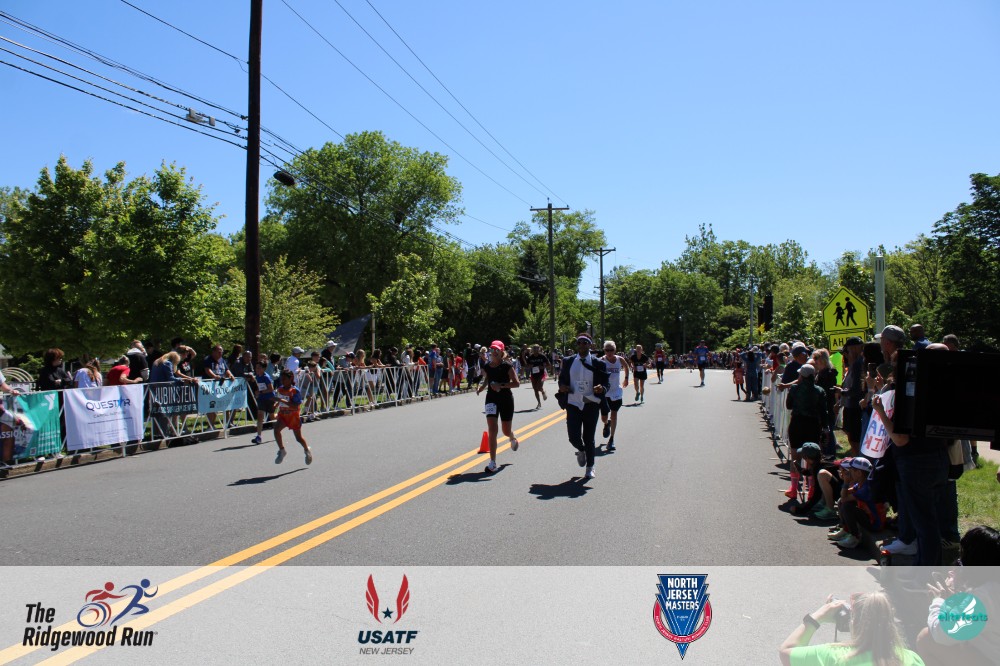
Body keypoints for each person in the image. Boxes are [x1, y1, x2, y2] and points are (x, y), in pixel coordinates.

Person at [779, 592, 925, 666]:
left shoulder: (833, 655)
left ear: (853, 622)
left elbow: (786, 652)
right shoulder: (911, 659)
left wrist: (818, 617)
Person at [557, 333, 609, 479]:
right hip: (573, 403)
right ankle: (581, 450)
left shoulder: (598, 363)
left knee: (589, 437)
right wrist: (562, 386)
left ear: (590, 345)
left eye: (585, 343)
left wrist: (602, 388)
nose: (581, 345)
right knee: (573, 437)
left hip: (590, 403)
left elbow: (606, 383)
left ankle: (590, 467)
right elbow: (562, 379)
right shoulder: (568, 361)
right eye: (579, 342)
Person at [784, 364, 828, 500]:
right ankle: (812, 490)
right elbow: (823, 411)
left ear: (801, 376)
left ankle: (793, 488)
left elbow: (788, 405)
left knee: (795, 455)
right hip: (813, 425)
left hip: (797, 423)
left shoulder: (795, 388)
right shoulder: (819, 391)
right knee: (812, 458)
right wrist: (825, 428)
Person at [476, 340, 519, 473]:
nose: (494, 352)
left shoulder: (507, 366)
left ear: (501, 352)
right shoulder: (487, 366)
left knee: (505, 431)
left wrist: (500, 385)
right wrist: (482, 387)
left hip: (506, 399)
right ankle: (492, 462)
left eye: (497, 350)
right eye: (492, 350)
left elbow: (516, 383)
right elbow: (487, 378)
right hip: (491, 399)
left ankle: (511, 436)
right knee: (492, 429)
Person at [273, 369, 312, 465]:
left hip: (293, 417)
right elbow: (279, 399)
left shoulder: (294, 391)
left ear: (291, 379)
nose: (282, 381)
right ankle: (282, 450)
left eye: (284, 379)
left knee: (298, 438)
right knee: (276, 430)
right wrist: (276, 404)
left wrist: (282, 401)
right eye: (281, 379)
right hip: (283, 415)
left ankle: (307, 450)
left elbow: (295, 406)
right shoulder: (280, 389)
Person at [598, 340, 629, 451]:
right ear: (604, 350)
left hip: (616, 392)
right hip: (605, 392)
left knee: (614, 414)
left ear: (615, 350)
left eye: (611, 350)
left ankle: (611, 439)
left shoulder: (620, 359)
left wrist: (626, 378)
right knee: (604, 417)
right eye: (607, 350)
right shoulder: (601, 360)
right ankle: (606, 424)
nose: (609, 352)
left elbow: (626, 367)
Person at [251, 359, 276, 445]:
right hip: (262, 398)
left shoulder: (266, 377)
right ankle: (259, 436)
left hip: (269, 398)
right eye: (256, 368)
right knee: (260, 415)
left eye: (259, 368)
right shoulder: (258, 376)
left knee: (272, 416)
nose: (257, 369)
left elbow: (271, 389)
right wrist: (257, 392)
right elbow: (260, 387)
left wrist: (261, 392)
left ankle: (277, 431)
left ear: (264, 369)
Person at [525, 344, 550, 409]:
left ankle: (543, 392)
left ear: (539, 349)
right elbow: (526, 366)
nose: (536, 349)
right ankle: (539, 403)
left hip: (541, 374)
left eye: (537, 348)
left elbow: (549, 365)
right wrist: (529, 366)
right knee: (535, 389)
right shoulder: (530, 357)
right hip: (533, 375)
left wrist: (542, 367)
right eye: (534, 348)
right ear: (532, 349)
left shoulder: (542, 356)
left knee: (539, 387)